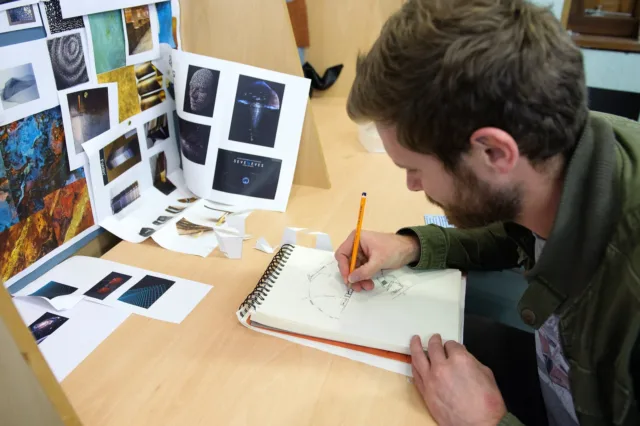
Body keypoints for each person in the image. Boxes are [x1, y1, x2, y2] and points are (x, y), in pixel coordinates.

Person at [333, 0, 640, 425]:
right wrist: (411, 245)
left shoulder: (630, 290)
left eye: (415, 169)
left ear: (495, 152)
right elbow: (516, 227)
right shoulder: (567, 149)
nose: (412, 187)